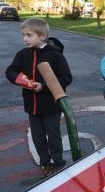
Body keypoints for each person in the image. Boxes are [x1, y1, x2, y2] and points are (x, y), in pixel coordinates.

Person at [5, 18, 72, 176]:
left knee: (54, 136)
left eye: (29, 35)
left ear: (42, 36)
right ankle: (45, 163)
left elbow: (66, 77)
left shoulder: (55, 55)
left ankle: (58, 163)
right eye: (23, 35)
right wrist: (22, 80)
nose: (25, 39)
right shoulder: (23, 55)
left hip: (51, 105)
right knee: (38, 138)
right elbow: (10, 71)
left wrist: (44, 86)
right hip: (32, 106)